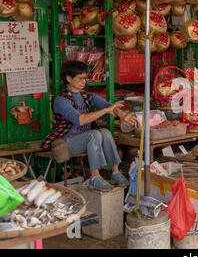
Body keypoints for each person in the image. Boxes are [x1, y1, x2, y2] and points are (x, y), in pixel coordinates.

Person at [41, 60, 138, 190]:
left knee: (105, 132)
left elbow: (110, 106)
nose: (83, 81)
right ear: (68, 78)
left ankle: (115, 172)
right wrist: (105, 111)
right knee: (94, 134)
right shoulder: (61, 100)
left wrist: (122, 115)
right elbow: (80, 120)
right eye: (80, 78)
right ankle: (95, 177)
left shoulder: (88, 96)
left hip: (87, 140)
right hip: (67, 142)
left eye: (85, 78)